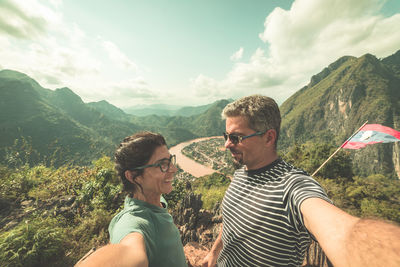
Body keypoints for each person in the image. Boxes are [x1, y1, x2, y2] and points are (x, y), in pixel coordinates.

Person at [202, 95, 400, 267]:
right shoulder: (240, 173)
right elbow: (231, 222)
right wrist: (214, 252)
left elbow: (342, 230)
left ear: (269, 138)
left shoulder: (293, 186)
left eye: (236, 137)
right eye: (226, 136)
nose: (227, 144)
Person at [76, 131, 187, 267]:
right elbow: (131, 252)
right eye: (162, 164)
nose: (174, 169)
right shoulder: (134, 222)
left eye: (170, 160)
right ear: (133, 176)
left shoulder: (157, 200)